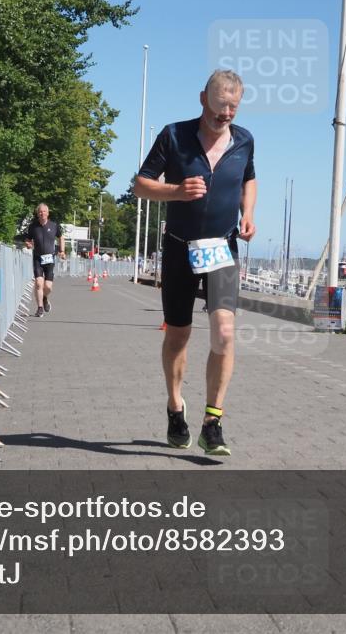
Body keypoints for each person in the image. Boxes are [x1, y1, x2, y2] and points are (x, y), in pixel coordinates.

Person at [134, 69, 256, 457]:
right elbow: (139, 184)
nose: (225, 115)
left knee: (224, 333)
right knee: (178, 336)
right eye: (220, 106)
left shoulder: (244, 141)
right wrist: (176, 190)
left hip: (222, 249)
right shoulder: (174, 135)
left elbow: (249, 179)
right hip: (179, 248)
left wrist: (248, 213)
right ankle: (175, 406)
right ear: (203, 98)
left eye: (233, 108)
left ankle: (213, 422)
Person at [22, 203, 66, 317]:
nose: (42, 214)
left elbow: (61, 237)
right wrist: (28, 244)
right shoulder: (33, 227)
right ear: (38, 214)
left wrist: (62, 251)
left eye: (44, 211)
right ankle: (40, 307)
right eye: (40, 212)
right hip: (37, 258)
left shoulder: (54, 225)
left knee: (48, 287)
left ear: (48, 213)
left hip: (50, 259)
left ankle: (45, 297)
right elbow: (27, 239)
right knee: (38, 284)